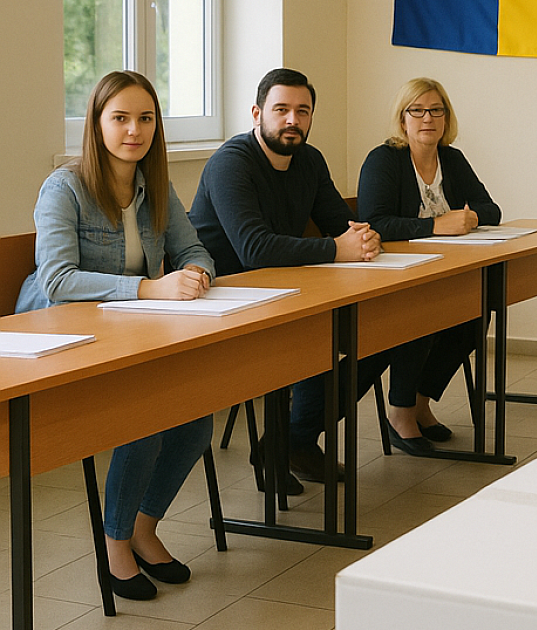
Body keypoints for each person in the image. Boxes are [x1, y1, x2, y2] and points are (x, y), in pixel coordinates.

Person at [16, 71, 216, 600]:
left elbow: (195, 249)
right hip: (59, 337)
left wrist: (197, 273)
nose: (135, 130)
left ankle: (144, 530)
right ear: (97, 124)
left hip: (130, 332)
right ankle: (115, 543)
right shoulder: (64, 187)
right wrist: (150, 287)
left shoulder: (155, 187)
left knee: (197, 416)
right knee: (144, 418)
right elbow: (57, 281)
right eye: (121, 118)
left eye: (146, 118)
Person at [189, 68, 382, 492]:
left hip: (286, 291)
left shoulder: (309, 160)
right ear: (257, 113)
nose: (293, 120)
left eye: (302, 111)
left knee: (379, 334)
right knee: (319, 335)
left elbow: (340, 223)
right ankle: (287, 443)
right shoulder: (230, 162)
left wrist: (364, 237)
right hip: (225, 300)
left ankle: (292, 439)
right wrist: (338, 249)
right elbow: (254, 250)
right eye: (281, 109)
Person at [356, 77, 501, 455]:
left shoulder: (452, 159)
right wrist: (436, 225)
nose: (427, 118)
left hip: (443, 269)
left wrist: (470, 218)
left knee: (476, 312)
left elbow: (491, 209)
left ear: (446, 117)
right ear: (402, 119)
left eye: (436, 110)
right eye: (417, 110)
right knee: (421, 314)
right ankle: (400, 413)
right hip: (395, 275)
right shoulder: (384, 159)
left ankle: (421, 402)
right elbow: (376, 222)